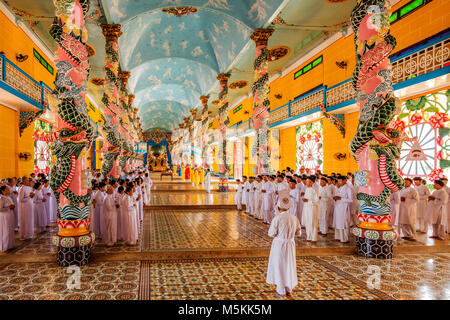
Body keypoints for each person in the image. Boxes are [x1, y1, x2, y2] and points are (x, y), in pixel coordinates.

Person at [266, 190, 301, 297]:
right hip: (290, 244)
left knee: (279, 265)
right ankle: (289, 287)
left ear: (278, 208)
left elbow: (271, 233)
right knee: (289, 265)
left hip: (279, 244)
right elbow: (299, 233)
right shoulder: (294, 218)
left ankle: (281, 288)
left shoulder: (277, 218)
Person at [332, 176, 353, 243]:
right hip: (338, 208)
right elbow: (337, 197)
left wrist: (340, 198)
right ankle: (338, 237)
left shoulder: (348, 189)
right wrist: (335, 198)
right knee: (338, 222)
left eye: (340, 181)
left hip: (344, 209)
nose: (339, 183)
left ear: (345, 181)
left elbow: (351, 200)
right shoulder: (339, 188)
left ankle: (345, 239)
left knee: (344, 223)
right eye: (338, 181)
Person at [302, 176, 319, 242]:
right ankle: (309, 237)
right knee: (308, 222)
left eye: (308, 182)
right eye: (306, 182)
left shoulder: (314, 190)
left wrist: (308, 200)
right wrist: (305, 200)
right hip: (306, 207)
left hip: (312, 208)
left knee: (312, 222)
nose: (306, 183)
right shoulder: (307, 189)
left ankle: (314, 238)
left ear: (312, 182)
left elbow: (317, 201)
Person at [0, 186, 15, 251]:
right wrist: (9, 207)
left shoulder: (8, 197)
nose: (9, 190)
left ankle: (10, 245)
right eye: (7, 189)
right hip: (4, 216)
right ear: (3, 191)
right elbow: (0, 209)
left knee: (10, 229)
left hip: (10, 215)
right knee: (5, 230)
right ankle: (4, 245)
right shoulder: (1, 198)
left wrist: (12, 206)